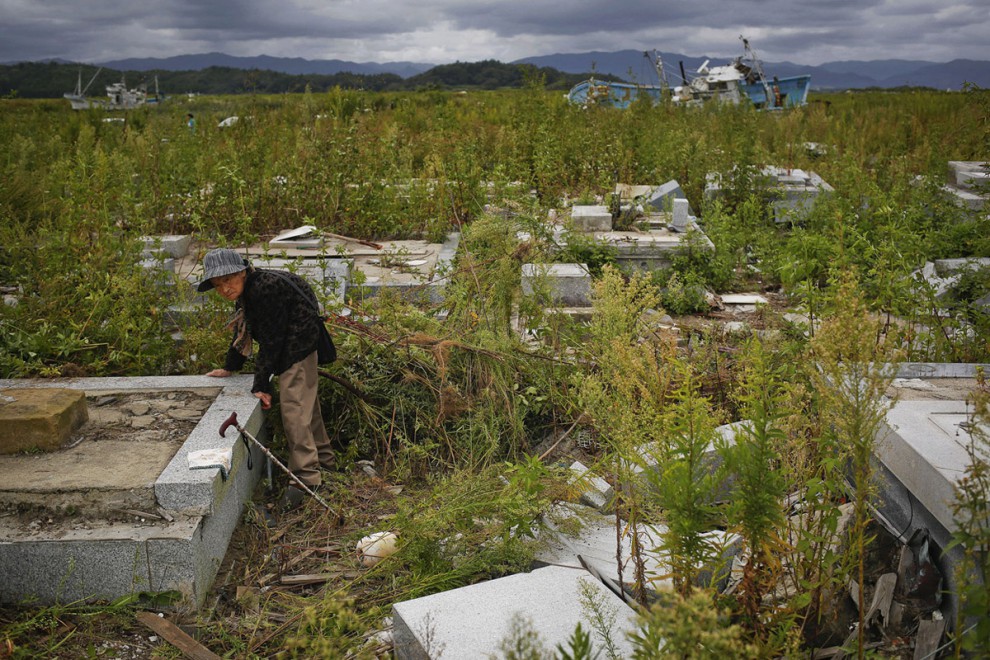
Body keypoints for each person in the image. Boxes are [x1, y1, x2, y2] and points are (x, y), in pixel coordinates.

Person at [198, 248, 334, 511]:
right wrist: (230, 368)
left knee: (295, 410)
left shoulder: (262, 289)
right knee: (307, 407)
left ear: (241, 272)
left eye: (228, 280)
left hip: (298, 345)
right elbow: (245, 329)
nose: (225, 289)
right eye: (218, 285)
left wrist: (261, 384)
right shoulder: (251, 288)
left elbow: (272, 340)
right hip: (298, 343)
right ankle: (326, 461)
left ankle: (306, 479)